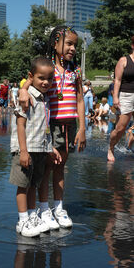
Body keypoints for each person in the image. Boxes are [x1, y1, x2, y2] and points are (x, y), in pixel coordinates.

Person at [19, 25, 86, 229]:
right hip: (50, 125)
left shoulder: (75, 70)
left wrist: (82, 127)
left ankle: (58, 207)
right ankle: (43, 208)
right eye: (69, 43)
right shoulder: (47, 68)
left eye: (75, 45)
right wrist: (23, 91)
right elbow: (27, 82)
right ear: (55, 43)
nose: (73, 48)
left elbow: (80, 99)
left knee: (60, 168)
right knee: (45, 169)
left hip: (69, 125)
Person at [10, 57, 61, 237]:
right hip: (25, 149)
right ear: (31, 77)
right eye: (41, 78)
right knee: (22, 185)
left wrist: (50, 147)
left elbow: (43, 127)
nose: (46, 82)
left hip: (39, 149)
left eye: (50, 79)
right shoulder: (27, 97)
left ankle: (32, 215)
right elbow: (20, 125)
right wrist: (23, 151)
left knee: (33, 184)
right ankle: (22, 220)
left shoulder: (44, 99)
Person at [107, 35, 134, 161]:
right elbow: (117, 81)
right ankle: (111, 148)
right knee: (120, 128)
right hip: (126, 96)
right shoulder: (124, 60)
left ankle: (129, 148)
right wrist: (115, 98)